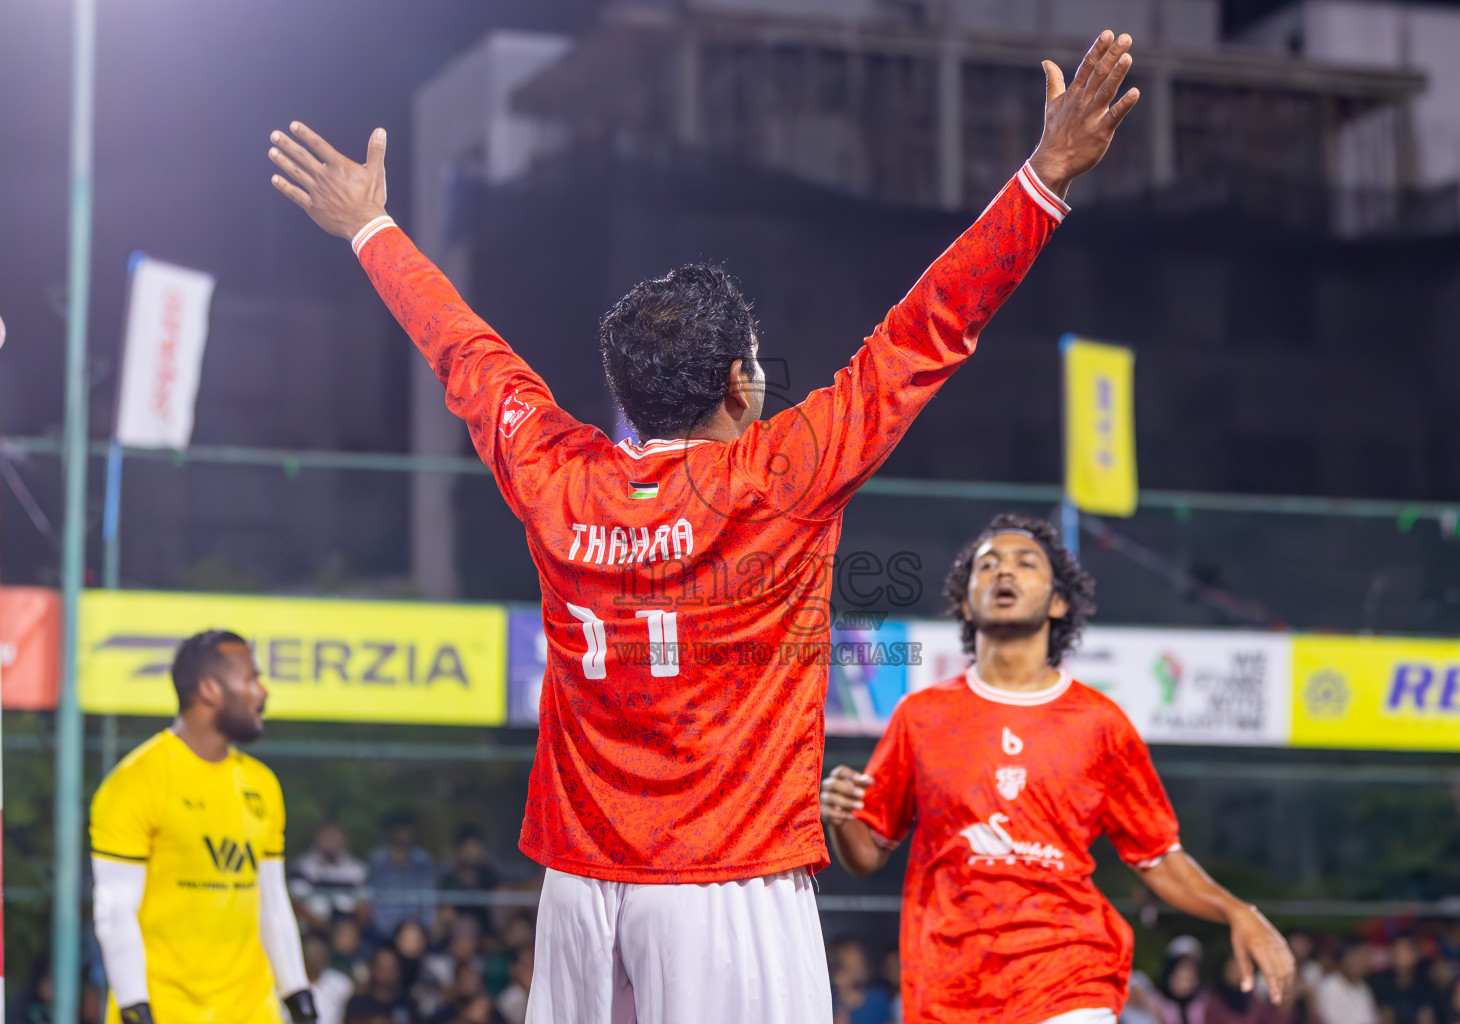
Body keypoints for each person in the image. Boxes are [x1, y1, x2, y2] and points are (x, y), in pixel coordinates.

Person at [269, 27, 1138, 1022]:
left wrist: (371, 228)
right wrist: (1044, 179)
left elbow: (465, 353)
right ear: (739, 382)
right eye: (756, 355)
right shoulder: (781, 474)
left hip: (581, 894)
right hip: (726, 884)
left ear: (624, 387)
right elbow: (927, 329)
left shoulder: (556, 474)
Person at [820, 516, 1295, 1023]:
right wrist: (840, 816)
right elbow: (867, 854)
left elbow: (1158, 857)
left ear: (1058, 602)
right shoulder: (920, 716)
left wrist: (1237, 910)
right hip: (949, 989)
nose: (1006, 572)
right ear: (965, 601)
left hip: (1068, 975)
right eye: (989, 565)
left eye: (1026, 563)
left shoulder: (1100, 723)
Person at [89, 630, 317, 1024]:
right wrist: (134, 1007)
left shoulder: (261, 784)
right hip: (166, 1012)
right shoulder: (136, 781)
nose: (262, 692)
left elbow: (272, 902)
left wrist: (298, 995)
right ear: (210, 689)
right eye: (251, 679)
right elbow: (114, 910)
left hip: (252, 1012)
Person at [365, 813, 436, 944]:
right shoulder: (378, 862)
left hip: (415, 931)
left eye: (407, 831)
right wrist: (386, 931)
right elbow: (372, 900)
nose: (403, 836)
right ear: (391, 833)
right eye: (399, 831)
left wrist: (424, 928)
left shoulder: (423, 862)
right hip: (382, 930)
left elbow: (427, 898)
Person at [290, 821, 369, 930]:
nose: (331, 841)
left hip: (346, 926)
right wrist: (321, 926)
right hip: (312, 927)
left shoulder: (355, 869)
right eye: (327, 837)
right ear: (318, 838)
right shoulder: (303, 866)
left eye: (335, 837)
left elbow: (362, 903)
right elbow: (297, 901)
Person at [1371, 935, 1440, 1024]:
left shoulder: (1428, 987)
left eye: (1404, 952)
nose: (1399, 956)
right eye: (1396, 952)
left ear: (1416, 954)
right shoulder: (1377, 983)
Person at [1314, 941, 1378, 1024]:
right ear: (1343, 957)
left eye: (1365, 958)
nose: (1362, 962)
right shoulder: (1328, 987)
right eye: (1358, 956)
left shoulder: (1364, 988)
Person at [305, 934, 356, 1024]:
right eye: (311, 955)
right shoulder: (294, 983)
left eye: (318, 955)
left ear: (324, 958)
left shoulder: (341, 983)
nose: (315, 960)